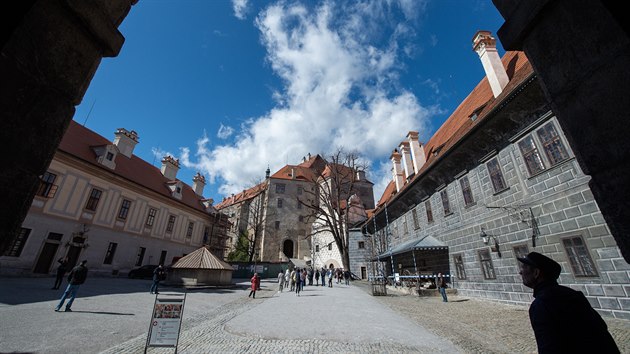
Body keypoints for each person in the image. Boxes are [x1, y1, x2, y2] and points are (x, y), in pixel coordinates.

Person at [517, 252, 619, 353]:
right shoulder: (574, 294)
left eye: (524, 267)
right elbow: (601, 330)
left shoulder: (541, 305)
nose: (520, 272)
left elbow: (549, 348)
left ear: (536, 273)